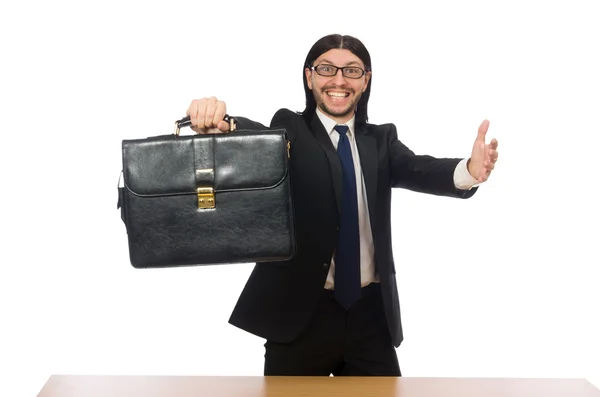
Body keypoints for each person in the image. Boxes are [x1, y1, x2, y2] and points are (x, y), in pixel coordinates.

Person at [185, 33, 499, 377]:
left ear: (365, 81)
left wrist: (470, 170)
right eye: (326, 69)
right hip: (301, 316)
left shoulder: (381, 140)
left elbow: (420, 169)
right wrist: (224, 124)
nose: (338, 80)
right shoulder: (289, 128)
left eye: (351, 71)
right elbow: (258, 138)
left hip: (370, 317)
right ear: (309, 77)